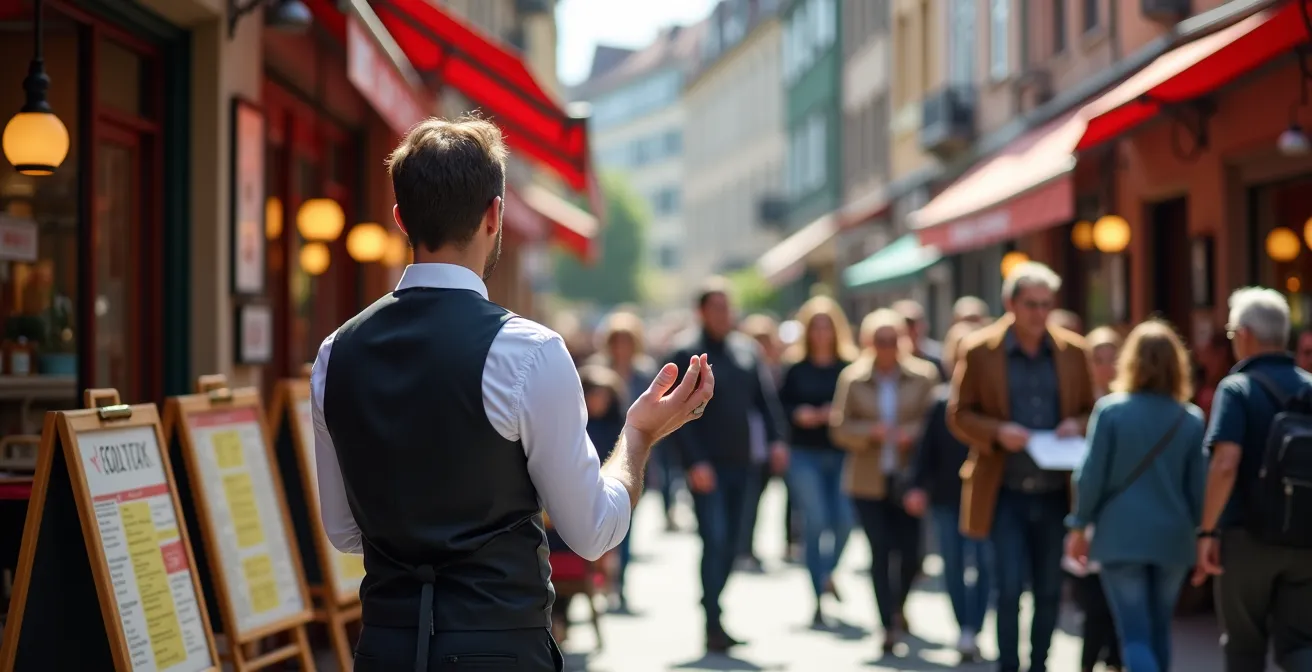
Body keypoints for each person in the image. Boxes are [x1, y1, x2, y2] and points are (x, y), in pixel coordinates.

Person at [311, 116, 716, 671]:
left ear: (401, 218)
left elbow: (343, 532)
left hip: (388, 647)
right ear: (495, 215)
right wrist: (639, 436)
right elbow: (593, 531)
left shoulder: (336, 353)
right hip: (497, 648)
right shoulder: (529, 352)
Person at [948, 261, 1095, 672]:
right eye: (1031, 304)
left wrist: (1076, 424)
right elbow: (959, 414)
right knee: (1009, 587)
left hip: (1055, 492)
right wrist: (997, 431)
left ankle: (1039, 665)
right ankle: (1009, 665)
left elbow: (1091, 411)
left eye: (1047, 304)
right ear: (1010, 303)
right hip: (1004, 489)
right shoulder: (980, 350)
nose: (1039, 313)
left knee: (1049, 588)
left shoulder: (1073, 351)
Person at [1065, 320, 1206, 672]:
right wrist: (1204, 537)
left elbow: (1091, 477)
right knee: (1159, 631)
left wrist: (1079, 527)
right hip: (1173, 539)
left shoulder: (1112, 411)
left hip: (1120, 536)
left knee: (1135, 635)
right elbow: (1199, 489)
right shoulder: (1190, 419)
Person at [1194, 287, 1312, 671]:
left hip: (1246, 538)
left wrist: (1207, 531)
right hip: (1305, 537)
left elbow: (1225, 462)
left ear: (1243, 334)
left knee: (1244, 648)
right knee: (1300, 645)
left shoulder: (1237, 388)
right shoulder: (1309, 385)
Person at [668, 279, 788, 654]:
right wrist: (694, 462)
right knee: (714, 539)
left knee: (735, 542)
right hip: (708, 469)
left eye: (727, 307)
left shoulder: (745, 350)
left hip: (744, 464)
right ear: (701, 312)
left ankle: (715, 607)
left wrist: (777, 440)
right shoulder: (686, 352)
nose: (724, 314)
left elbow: (764, 401)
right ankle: (712, 618)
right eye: (716, 308)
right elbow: (675, 414)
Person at [831, 309, 939, 656]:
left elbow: (934, 425)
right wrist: (870, 433)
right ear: (869, 343)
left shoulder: (923, 377)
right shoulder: (854, 378)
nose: (887, 348)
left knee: (910, 553)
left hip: (909, 477)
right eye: (880, 341)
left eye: (893, 340)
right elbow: (840, 427)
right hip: (867, 479)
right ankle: (887, 624)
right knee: (880, 549)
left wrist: (912, 435)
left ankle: (898, 605)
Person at [903, 320, 990, 662]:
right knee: (953, 564)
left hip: (982, 497)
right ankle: (964, 628)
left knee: (983, 565)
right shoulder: (940, 400)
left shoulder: (992, 400)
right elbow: (925, 450)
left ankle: (976, 626)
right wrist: (916, 487)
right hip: (945, 498)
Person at [777, 296, 859, 627]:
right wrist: (801, 414)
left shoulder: (849, 366)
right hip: (805, 453)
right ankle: (817, 597)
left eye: (827, 326)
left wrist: (836, 416)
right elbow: (780, 409)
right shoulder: (795, 368)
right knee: (815, 521)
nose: (822, 333)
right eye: (816, 327)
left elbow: (857, 407)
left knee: (843, 520)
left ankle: (826, 574)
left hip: (841, 451)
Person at [1067, 325, 1124, 672]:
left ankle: (1115, 661)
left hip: (1116, 516)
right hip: (1082, 513)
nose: (1104, 366)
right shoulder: (1077, 402)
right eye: (1097, 358)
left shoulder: (1125, 405)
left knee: (1115, 601)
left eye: (1111, 357)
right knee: (1090, 602)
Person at [590, 312, 676, 537]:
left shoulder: (645, 373)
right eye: (617, 341)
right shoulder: (596, 371)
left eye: (627, 341)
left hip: (635, 447)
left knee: (627, 511)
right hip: (602, 445)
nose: (621, 347)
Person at [576, 364, 632, 612]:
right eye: (594, 395)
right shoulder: (575, 424)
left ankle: (616, 585)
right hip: (582, 492)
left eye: (604, 397)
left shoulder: (618, 426)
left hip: (613, 490)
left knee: (619, 542)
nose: (599, 401)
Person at [738, 313, 790, 571]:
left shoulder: (781, 370)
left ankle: (748, 544)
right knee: (746, 499)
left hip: (767, 444)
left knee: (758, 497)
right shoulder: (744, 367)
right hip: (745, 443)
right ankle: (742, 546)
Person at [892, 299, 944, 375]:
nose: (914, 329)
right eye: (908, 324)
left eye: (916, 323)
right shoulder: (883, 364)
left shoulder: (938, 358)